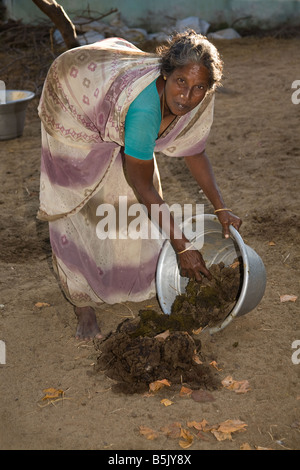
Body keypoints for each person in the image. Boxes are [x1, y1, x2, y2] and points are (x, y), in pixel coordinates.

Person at [37, 30, 242, 340]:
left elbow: (195, 151)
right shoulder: (145, 111)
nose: (186, 98)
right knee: (78, 204)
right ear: (165, 73)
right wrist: (183, 245)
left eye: (199, 87)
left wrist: (222, 207)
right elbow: (142, 184)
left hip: (113, 91)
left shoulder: (197, 100)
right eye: (180, 83)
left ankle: (127, 277)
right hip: (74, 98)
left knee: (126, 202)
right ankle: (83, 302)